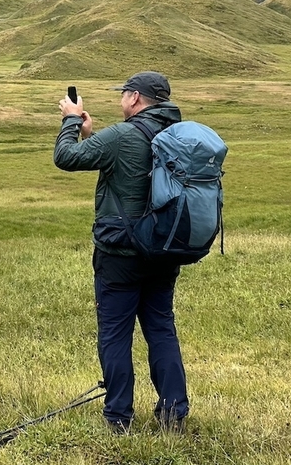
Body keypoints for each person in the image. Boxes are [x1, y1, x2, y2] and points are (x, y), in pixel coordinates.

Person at [52, 71, 189, 434]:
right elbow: (131, 169)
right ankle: (174, 413)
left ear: (135, 98)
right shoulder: (179, 134)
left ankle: (119, 419)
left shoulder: (124, 134)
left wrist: (70, 120)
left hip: (120, 253)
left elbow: (65, 157)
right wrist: (91, 135)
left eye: (123, 94)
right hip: (164, 250)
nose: (120, 100)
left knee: (114, 333)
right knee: (161, 329)